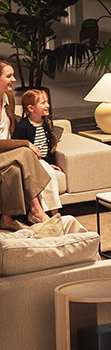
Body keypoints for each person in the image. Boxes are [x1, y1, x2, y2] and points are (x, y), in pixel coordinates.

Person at [0, 60, 52, 230]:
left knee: (14, 169)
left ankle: (7, 219)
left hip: (8, 153)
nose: (13, 79)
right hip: (5, 151)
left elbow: (11, 122)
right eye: (9, 76)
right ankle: (37, 209)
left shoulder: (8, 98)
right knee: (25, 152)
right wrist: (25, 143)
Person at [13, 88, 63, 216]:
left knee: (49, 171)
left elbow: (47, 149)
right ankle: (53, 212)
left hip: (43, 161)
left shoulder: (47, 123)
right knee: (49, 175)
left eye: (47, 102)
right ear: (31, 108)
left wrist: (49, 163)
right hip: (30, 162)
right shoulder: (23, 127)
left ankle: (54, 212)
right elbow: (19, 149)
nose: (48, 105)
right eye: (43, 103)